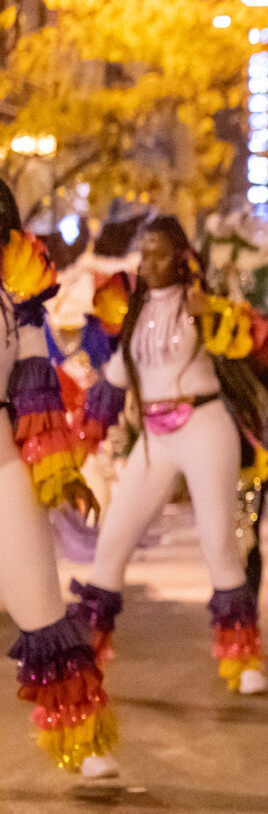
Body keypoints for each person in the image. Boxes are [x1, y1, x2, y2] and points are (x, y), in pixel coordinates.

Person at [70, 215, 268, 697]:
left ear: (181, 256)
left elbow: (259, 341)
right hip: (153, 437)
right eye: (143, 252)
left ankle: (243, 659)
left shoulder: (202, 305)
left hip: (204, 427)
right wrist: (76, 444)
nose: (149, 261)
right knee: (112, 544)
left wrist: (210, 310)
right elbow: (113, 382)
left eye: (159, 252)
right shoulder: (131, 311)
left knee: (218, 543)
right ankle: (86, 656)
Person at [1, 184, 114, 775]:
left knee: (41, 605)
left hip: (0, 464)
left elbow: (35, 390)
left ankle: (82, 739)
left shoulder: (16, 302)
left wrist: (62, 472)